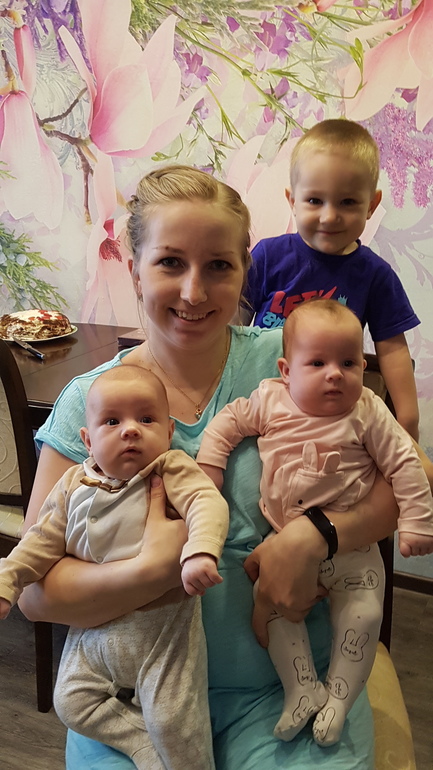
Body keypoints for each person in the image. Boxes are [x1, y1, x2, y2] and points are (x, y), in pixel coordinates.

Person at [17, 164, 422, 770]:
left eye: (218, 266)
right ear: (134, 269)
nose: (194, 292)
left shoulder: (295, 360)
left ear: (244, 273)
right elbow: (34, 593)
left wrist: (317, 535)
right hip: (133, 701)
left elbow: (413, 476)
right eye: (170, 263)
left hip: (287, 688)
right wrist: (153, 571)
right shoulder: (90, 401)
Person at [195, 298, 433, 747]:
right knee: (276, 613)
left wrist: (418, 523)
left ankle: (339, 699)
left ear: (362, 367)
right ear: (287, 371)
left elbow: (405, 463)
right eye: (318, 363)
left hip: (354, 548)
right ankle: (302, 688)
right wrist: (210, 465)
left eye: (348, 363)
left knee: (364, 616)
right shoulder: (269, 399)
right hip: (281, 543)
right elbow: (228, 423)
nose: (335, 374)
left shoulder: (366, 411)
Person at [0, 365, 229, 769]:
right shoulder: (72, 484)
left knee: (174, 721)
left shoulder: (169, 469)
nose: (131, 430)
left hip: (162, 633)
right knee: (70, 701)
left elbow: (205, 503)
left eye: (146, 419)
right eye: (112, 421)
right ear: (88, 440)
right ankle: (140, 743)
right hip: (93, 632)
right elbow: (39, 541)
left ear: (169, 432)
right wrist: (9, 579)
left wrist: (200, 551)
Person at [244, 119, 421, 440]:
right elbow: (231, 330)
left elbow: (393, 351)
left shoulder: (375, 274)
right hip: (261, 407)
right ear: (292, 200)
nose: (329, 216)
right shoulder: (268, 256)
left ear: (371, 205)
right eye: (314, 200)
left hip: (332, 417)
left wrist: (407, 422)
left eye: (347, 202)